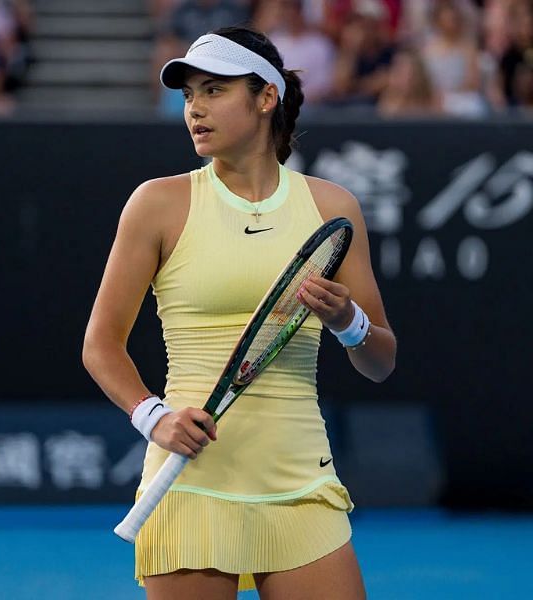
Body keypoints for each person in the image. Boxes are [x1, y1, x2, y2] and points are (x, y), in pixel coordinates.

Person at [82, 26, 397, 599]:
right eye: (188, 96)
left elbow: (380, 360)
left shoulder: (332, 207)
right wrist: (155, 417)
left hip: (303, 481)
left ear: (265, 97)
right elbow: (100, 343)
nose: (194, 110)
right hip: (191, 481)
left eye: (213, 91)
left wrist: (349, 323)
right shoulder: (157, 203)